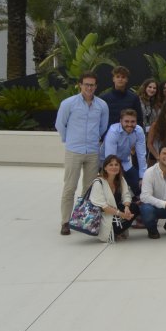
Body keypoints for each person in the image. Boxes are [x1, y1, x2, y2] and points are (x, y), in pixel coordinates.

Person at [56, 72, 109, 235]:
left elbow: (103, 127)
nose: (89, 87)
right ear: (80, 85)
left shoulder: (102, 105)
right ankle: (65, 221)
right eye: (86, 84)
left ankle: (83, 220)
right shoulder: (68, 103)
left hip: (93, 151)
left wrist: (95, 141)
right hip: (74, 151)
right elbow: (60, 124)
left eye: (92, 85)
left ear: (96, 86)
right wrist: (70, 140)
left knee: (89, 189)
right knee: (70, 187)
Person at [87, 155, 136, 242]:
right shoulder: (98, 183)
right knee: (123, 216)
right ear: (105, 167)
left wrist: (127, 207)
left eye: (116, 165)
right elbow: (104, 207)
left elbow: (126, 195)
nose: (114, 167)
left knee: (134, 207)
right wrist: (121, 214)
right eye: (111, 165)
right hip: (103, 216)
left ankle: (118, 230)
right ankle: (113, 232)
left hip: (115, 214)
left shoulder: (121, 180)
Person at [100, 108, 147, 199]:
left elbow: (141, 155)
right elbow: (110, 159)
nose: (130, 124)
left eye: (133, 121)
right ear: (120, 121)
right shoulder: (113, 132)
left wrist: (142, 177)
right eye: (126, 121)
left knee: (140, 188)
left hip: (125, 162)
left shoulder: (139, 131)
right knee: (116, 190)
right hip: (106, 163)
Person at [101, 65, 143, 132]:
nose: (120, 79)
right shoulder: (104, 98)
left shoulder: (134, 98)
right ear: (113, 79)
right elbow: (100, 119)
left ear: (127, 80)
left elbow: (139, 119)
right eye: (117, 77)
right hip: (108, 136)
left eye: (123, 77)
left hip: (128, 136)